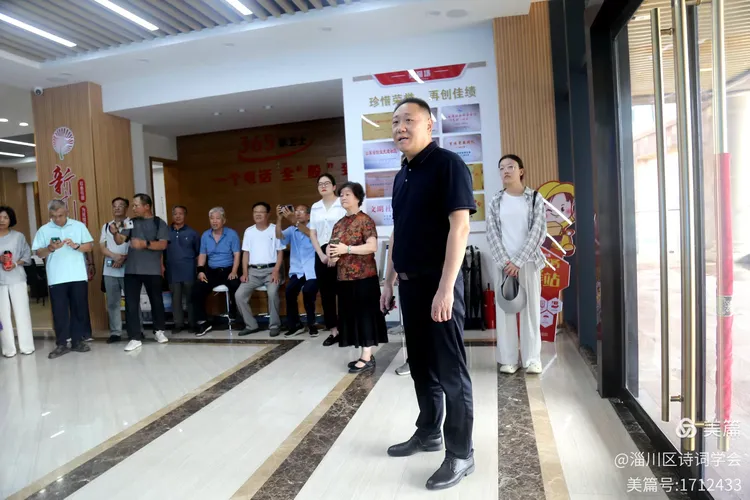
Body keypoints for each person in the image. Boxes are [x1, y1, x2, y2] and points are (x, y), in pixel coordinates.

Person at [381, 97, 476, 490]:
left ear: (429, 124)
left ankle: (461, 453)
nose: (400, 127)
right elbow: (398, 231)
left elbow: (460, 227)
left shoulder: (447, 165)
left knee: (451, 371)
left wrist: (446, 288)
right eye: (395, 122)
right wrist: (388, 281)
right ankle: (429, 432)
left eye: (408, 120)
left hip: (439, 283)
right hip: (410, 285)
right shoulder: (402, 174)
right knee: (420, 365)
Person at [487, 154, 546, 374]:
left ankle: (532, 359)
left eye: (510, 167)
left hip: (528, 262)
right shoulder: (495, 201)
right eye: (501, 167)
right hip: (503, 264)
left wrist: (518, 261)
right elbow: (492, 233)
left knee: (531, 311)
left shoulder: (534, 198)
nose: (505, 171)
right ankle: (508, 359)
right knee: (506, 311)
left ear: (521, 171)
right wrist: (506, 262)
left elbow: (538, 231)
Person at [327, 182, 387, 372]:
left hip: (364, 278)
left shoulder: (365, 220)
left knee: (365, 317)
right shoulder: (339, 224)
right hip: (344, 278)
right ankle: (365, 354)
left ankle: (367, 357)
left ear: (358, 198)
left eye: (347, 194)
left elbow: (372, 246)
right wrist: (332, 255)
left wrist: (347, 249)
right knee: (352, 317)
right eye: (341, 195)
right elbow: (333, 248)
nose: (343, 197)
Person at [32, 200, 94, 359]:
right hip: (56, 277)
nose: (57, 219)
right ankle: (61, 343)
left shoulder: (78, 226)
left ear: (66, 212)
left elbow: (89, 246)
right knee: (59, 311)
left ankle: (77, 341)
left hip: (78, 276)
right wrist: (50, 248)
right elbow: (38, 253)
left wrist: (75, 246)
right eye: (53, 216)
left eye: (60, 215)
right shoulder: (44, 230)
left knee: (79, 309)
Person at [110, 193, 169, 352]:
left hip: (153, 269)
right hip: (132, 269)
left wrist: (144, 244)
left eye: (136, 205)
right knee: (131, 304)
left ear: (146, 206)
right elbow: (120, 240)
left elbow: (163, 244)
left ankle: (159, 331)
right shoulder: (130, 222)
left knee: (156, 301)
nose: (134, 208)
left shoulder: (159, 223)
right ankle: (134, 337)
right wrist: (115, 232)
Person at [235, 202, 284, 337]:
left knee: (272, 293)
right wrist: (245, 272)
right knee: (239, 295)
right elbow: (246, 253)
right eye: (255, 212)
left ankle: (274, 325)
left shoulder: (275, 229)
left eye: (261, 212)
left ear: (268, 214)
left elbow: (280, 252)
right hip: (253, 272)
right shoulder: (249, 231)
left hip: (271, 271)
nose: (257, 214)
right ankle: (251, 325)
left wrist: (276, 271)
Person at [192, 207, 241, 336]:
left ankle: (237, 317)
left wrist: (234, 271)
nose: (214, 221)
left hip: (229, 269)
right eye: (212, 218)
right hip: (212, 271)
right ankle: (203, 322)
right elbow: (202, 255)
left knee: (236, 286)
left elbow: (237, 254)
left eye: (217, 218)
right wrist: (200, 271)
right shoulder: (205, 235)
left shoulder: (232, 234)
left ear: (223, 220)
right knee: (197, 289)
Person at [309, 174, 346, 341]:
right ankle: (333, 330)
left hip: (341, 251)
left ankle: (346, 329)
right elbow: (313, 233)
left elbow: (344, 230)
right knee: (326, 293)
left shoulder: (341, 203)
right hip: (321, 253)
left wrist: (334, 253)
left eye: (327, 183)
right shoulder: (315, 207)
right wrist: (321, 254)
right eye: (320, 184)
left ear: (334, 186)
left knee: (343, 292)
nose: (323, 186)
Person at [276, 204, 318, 337]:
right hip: (297, 269)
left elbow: (310, 235)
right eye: (296, 211)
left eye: (301, 211)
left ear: (308, 216)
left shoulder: (313, 228)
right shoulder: (291, 229)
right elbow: (279, 237)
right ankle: (295, 325)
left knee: (308, 292)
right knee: (289, 292)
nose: (298, 213)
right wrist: (279, 219)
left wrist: (294, 221)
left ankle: (312, 324)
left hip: (312, 269)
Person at [0, 206, 34, 357]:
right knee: (2, 316)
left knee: (22, 312)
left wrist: (14, 264)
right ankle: (8, 349)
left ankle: (26, 346)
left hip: (17, 278)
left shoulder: (18, 236)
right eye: (0, 217)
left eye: (5, 217)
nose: (2, 220)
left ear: (10, 219)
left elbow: (27, 256)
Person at [100, 197, 130, 343]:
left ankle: (136, 330)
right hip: (110, 269)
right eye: (114, 206)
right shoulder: (106, 226)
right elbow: (102, 247)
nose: (117, 208)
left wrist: (123, 258)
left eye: (120, 205)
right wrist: (115, 256)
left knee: (132, 302)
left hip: (129, 268)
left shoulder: (131, 225)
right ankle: (115, 332)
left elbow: (134, 245)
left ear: (126, 208)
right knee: (112, 303)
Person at [166, 205, 200, 333]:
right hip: (172, 270)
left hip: (189, 270)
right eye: (175, 214)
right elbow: (161, 252)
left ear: (185, 215)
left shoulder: (192, 233)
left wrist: (198, 270)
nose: (178, 216)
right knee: (176, 299)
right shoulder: (166, 232)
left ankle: (192, 323)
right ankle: (178, 324)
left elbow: (199, 253)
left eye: (180, 213)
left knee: (191, 298)